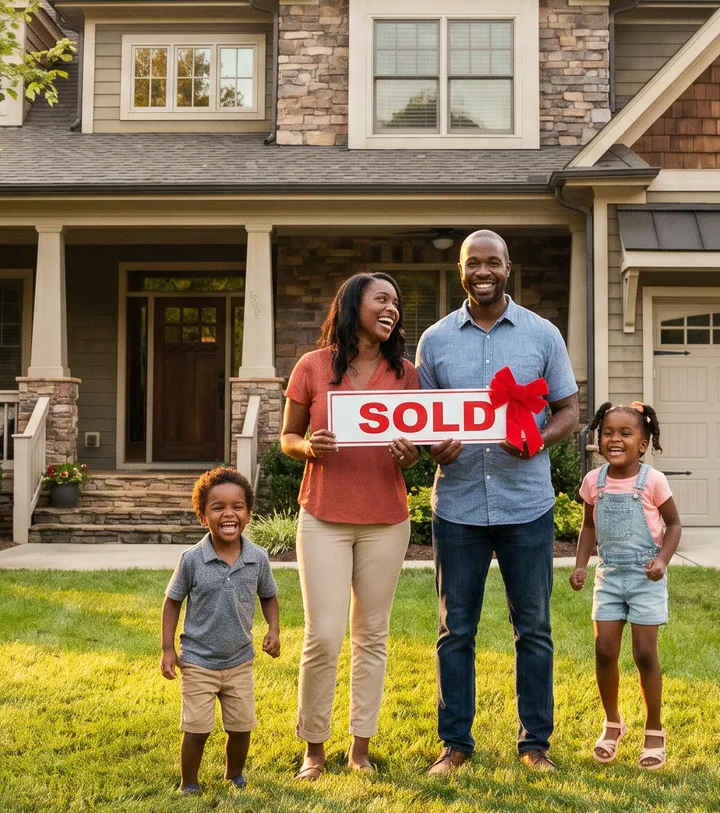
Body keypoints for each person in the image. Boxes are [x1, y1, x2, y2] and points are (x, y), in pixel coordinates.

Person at [417, 229, 581, 775]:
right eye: (472, 263)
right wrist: (432, 444)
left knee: (532, 628)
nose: (482, 271)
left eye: (492, 262)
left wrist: (538, 438)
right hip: (458, 504)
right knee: (454, 630)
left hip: (525, 505)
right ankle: (455, 746)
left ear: (508, 268)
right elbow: (421, 421)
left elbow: (567, 412)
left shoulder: (542, 335)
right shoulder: (435, 341)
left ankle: (535, 744)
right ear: (461, 271)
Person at [281, 272, 420, 779]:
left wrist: (408, 458)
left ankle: (359, 748)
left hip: (387, 520)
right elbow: (288, 439)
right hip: (323, 518)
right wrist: (308, 447)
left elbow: (415, 449)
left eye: (396, 303)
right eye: (382, 299)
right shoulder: (312, 367)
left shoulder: (406, 373)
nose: (392, 309)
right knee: (323, 636)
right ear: (353, 304)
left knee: (372, 636)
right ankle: (313, 748)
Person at [569, 401, 681, 770]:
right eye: (608, 432)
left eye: (625, 433)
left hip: (646, 577)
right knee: (604, 651)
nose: (614, 439)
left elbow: (674, 526)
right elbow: (589, 527)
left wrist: (662, 561)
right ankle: (613, 722)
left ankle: (654, 729)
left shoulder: (653, 481)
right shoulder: (593, 482)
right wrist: (582, 565)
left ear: (644, 442)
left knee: (645, 655)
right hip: (611, 576)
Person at [161, 467, 280, 794]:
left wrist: (274, 629)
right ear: (203, 516)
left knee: (242, 728)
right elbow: (172, 602)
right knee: (197, 729)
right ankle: (189, 782)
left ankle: (235, 775)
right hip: (198, 661)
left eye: (237, 507)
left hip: (240, 661)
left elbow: (268, 596)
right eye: (218, 507)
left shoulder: (257, 558)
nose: (229, 513)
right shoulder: (192, 559)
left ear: (248, 513)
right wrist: (168, 650)